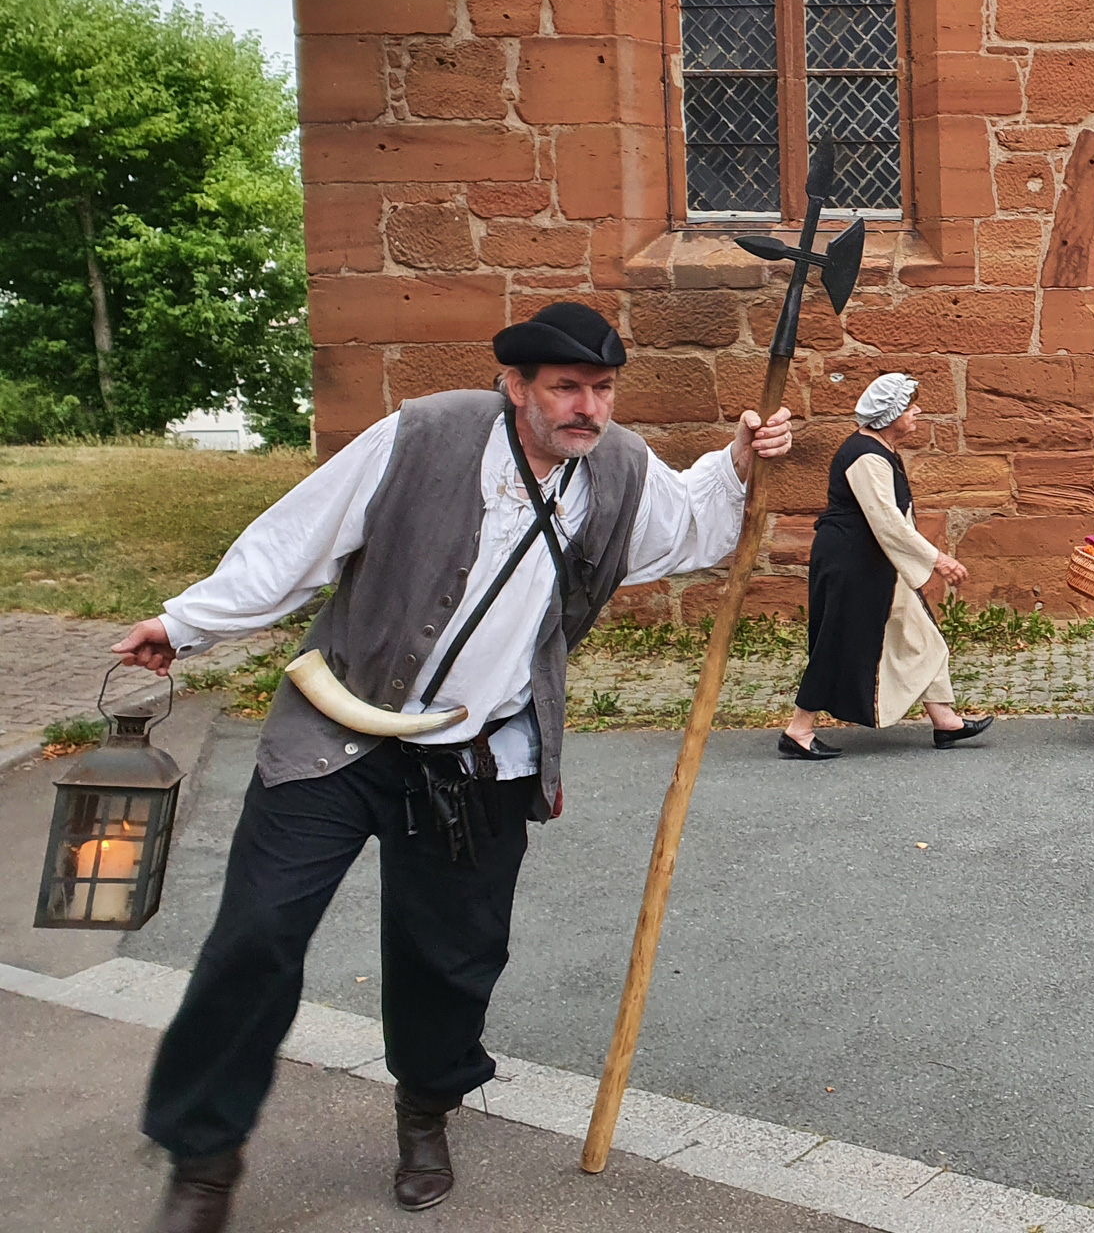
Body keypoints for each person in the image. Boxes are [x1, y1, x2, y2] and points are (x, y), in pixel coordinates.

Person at [109, 302, 794, 1233]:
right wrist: (186, 623)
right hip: (336, 734)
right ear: (514, 386)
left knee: (451, 958)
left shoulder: (619, 467)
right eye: (566, 389)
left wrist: (739, 462)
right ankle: (202, 1157)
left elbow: (689, 529)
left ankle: (426, 1110)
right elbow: (297, 537)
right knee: (256, 935)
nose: (587, 408)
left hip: (480, 758)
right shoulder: (424, 435)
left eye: (601, 389)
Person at [781, 374, 992, 759]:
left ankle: (945, 721)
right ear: (891, 415)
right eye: (909, 406)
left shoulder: (879, 449)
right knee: (837, 642)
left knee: (922, 635)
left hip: (874, 560)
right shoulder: (865, 456)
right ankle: (799, 729)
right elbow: (888, 522)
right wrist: (938, 559)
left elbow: (894, 522)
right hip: (850, 563)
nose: (917, 411)